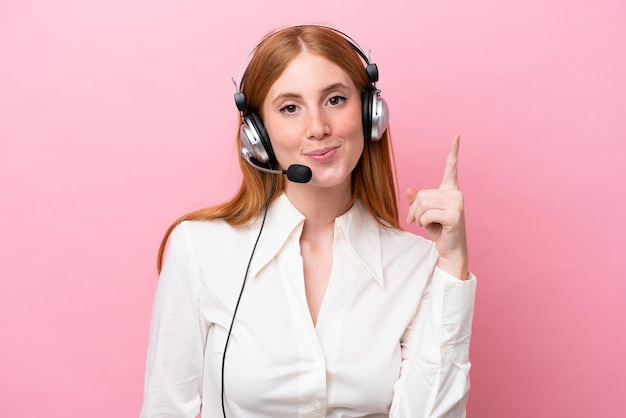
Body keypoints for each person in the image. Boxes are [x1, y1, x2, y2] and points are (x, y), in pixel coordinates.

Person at [140, 24, 477, 418]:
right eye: (290, 108)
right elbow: (166, 408)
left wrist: (453, 268)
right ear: (258, 136)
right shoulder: (200, 249)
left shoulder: (417, 265)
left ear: (371, 114)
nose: (318, 127)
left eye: (335, 99)